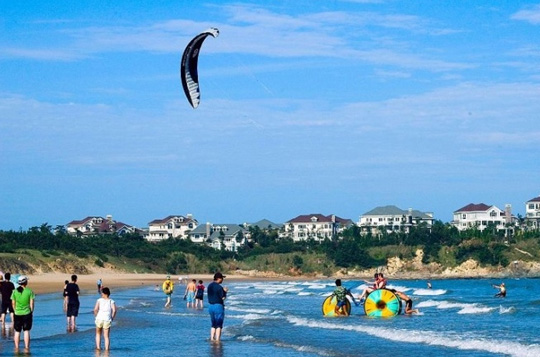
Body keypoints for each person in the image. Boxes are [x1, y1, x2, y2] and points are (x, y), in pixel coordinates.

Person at [11, 275, 35, 351]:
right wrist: (31, 311)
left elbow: (13, 303)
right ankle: (27, 347)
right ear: (25, 282)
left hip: (17, 313)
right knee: (26, 330)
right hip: (27, 313)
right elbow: (32, 303)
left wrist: (15, 310)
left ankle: (17, 347)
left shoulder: (14, 291)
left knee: (17, 331)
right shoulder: (29, 291)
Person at [207, 272, 228, 341]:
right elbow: (223, 298)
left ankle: (212, 338)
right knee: (219, 324)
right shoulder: (219, 287)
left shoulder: (209, 286)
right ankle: (217, 339)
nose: (222, 280)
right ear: (218, 279)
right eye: (222, 278)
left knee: (213, 324)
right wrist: (225, 292)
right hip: (218, 306)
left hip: (210, 306)